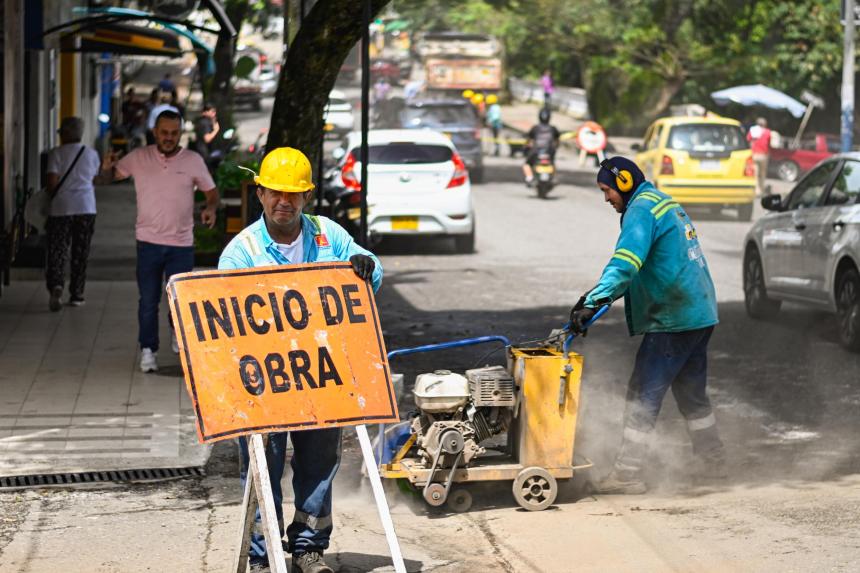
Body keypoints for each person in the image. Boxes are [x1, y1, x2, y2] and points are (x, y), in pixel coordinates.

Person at [219, 147, 382, 573]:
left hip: (321, 377)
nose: (283, 202)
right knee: (262, 471)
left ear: (307, 196)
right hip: (262, 386)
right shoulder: (241, 252)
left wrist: (367, 266)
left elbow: (372, 277)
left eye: (292, 194)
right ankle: (262, 555)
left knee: (318, 465)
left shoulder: (328, 234)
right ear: (260, 193)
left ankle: (309, 547)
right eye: (275, 192)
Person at [569, 156, 724, 495]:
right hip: (699, 312)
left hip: (674, 317)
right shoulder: (660, 201)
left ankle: (627, 473)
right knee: (692, 395)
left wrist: (594, 301)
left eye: (607, 190)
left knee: (642, 394)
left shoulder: (640, 210)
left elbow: (626, 263)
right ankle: (713, 463)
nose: (606, 199)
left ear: (624, 182)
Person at [96, 110, 219, 373]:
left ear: (180, 134)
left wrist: (210, 208)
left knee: (179, 299)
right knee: (148, 300)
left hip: (182, 244)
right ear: (155, 132)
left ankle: (178, 334)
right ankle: (148, 350)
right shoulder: (139, 158)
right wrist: (106, 168)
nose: (169, 138)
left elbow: (212, 193)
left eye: (174, 133)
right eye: (164, 133)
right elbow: (107, 180)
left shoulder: (193, 160)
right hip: (148, 242)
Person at [44, 117, 102, 311]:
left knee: (58, 249)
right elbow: (94, 179)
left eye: (61, 132)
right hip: (86, 207)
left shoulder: (56, 153)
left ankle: (56, 285)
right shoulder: (92, 154)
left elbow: (52, 183)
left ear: (67, 133)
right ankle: (77, 294)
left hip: (61, 208)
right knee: (80, 251)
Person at [522, 108, 560, 186]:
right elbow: (557, 141)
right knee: (552, 163)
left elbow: (528, 140)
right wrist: (555, 148)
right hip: (549, 151)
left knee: (527, 164)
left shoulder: (535, 128)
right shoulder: (553, 129)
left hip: (536, 151)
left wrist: (526, 147)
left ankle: (529, 177)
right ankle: (553, 177)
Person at [747, 117, 771, 196]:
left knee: (756, 173)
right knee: (762, 173)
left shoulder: (753, 130)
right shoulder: (767, 132)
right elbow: (769, 143)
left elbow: (748, 139)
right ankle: (762, 189)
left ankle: (757, 190)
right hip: (763, 155)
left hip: (754, 154)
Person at [193, 103, 220, 171]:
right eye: (212, 111)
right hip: (204, 153)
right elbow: (207, 138)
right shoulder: (205, 122)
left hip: (199, 151)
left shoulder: (199, 120)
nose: (214, 113)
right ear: (206, 112)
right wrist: (216, 130)